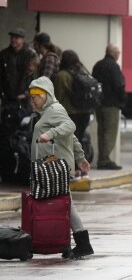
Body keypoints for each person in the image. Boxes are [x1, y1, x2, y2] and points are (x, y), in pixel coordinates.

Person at [28, 76, 94, 259]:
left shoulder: (54, 109)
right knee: (63, 204)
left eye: (37, 94)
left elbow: (70, 126)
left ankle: (80, 243)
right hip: (53, 167)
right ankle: (70, 243)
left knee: (65, 204)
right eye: (31, 94)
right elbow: (71, 137)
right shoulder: (48, 112)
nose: (33, 98)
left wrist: (49, 134)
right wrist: (80, 157)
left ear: (47, 95)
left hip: (55, 167)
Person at [54, 50, 93, 178]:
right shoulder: (82, 72)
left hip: (70, 114)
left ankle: (74, 170)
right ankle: (83, 170)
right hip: (84, 113)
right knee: (80, 141)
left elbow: (58, 97)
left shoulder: (62, 76)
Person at [92, 43, 126, 170]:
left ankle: (102, 158)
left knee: (101, 131)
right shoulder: (114, 66)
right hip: (111, 104)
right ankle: (105, 159)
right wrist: (123, 101)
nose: (119, 56)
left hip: (99, 104)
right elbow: (119, 85)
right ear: (114, 54)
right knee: (110, 132)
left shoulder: (98, 65)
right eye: (118, 53)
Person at [0, 27, 38, 125]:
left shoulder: (30, 54)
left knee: (24, 125)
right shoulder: (4, 54)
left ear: (23, 39)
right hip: (8, 98)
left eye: (16, 37)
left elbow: (35, 78)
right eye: (12, 37)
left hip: (25, 99)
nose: (13, 40)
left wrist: (26, 93)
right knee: (7, 125)